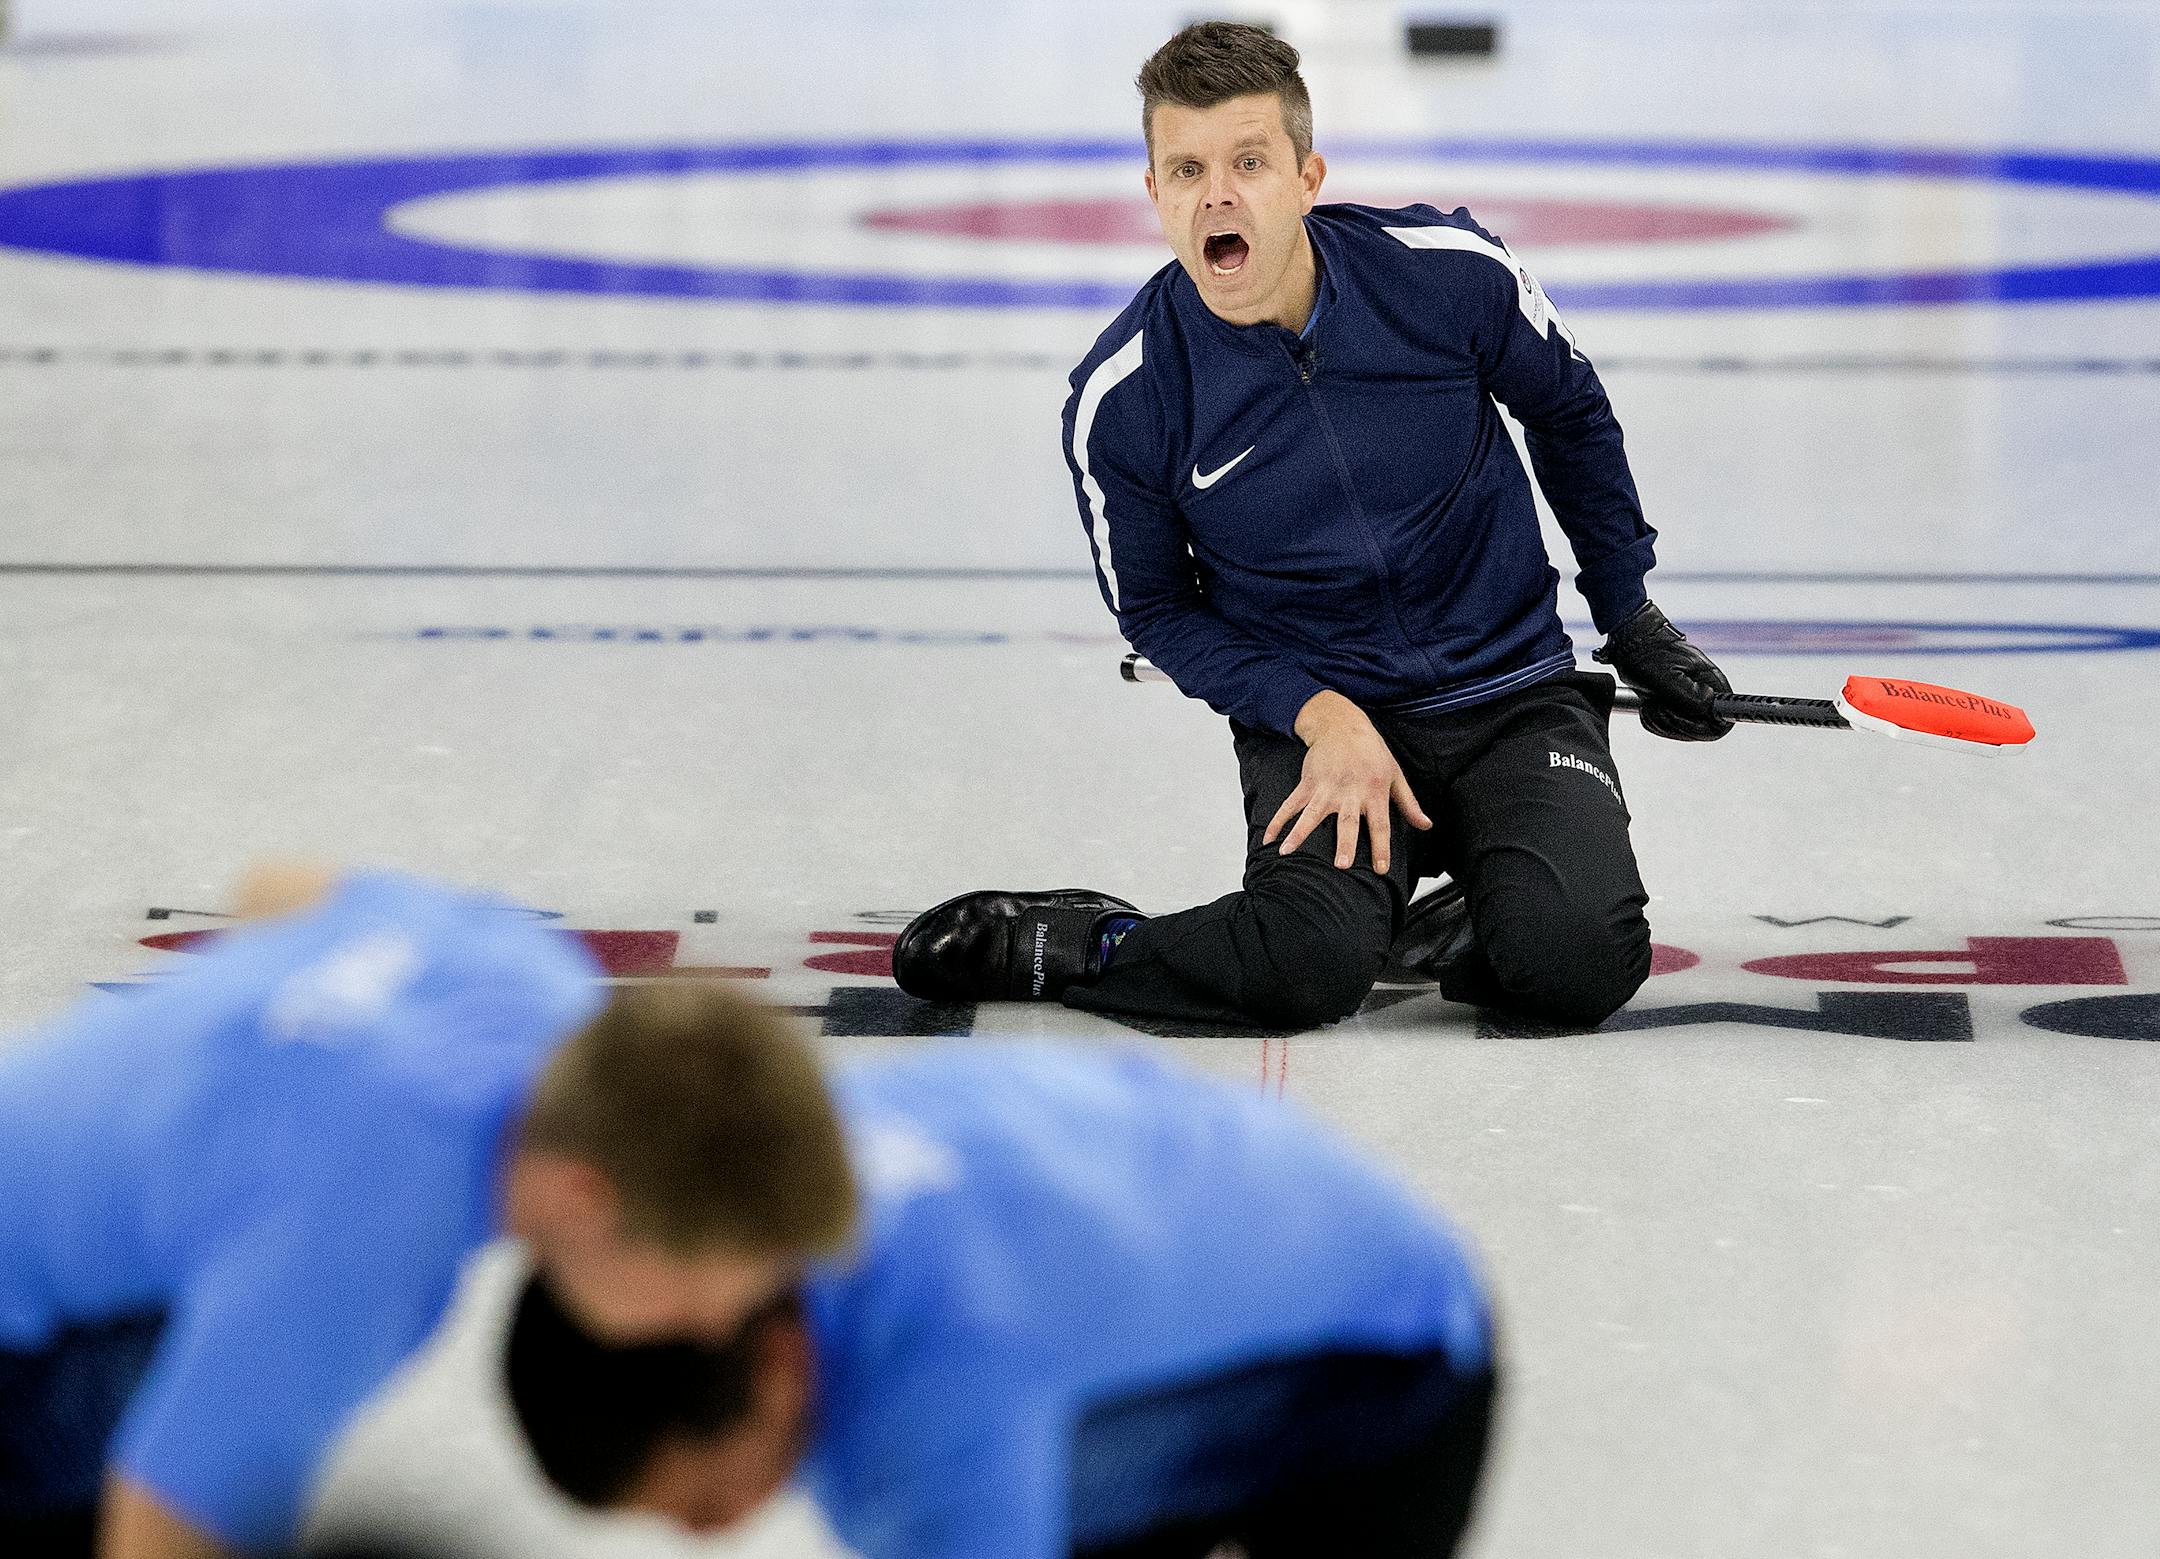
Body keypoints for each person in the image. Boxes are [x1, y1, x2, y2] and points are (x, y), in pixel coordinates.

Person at [894, 23, 1732, 1032]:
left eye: (1249, 162)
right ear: (1155, 193)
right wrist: (1315, 710)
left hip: (1512, 694)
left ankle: (1501, 906)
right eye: (1187, 168)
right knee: (1307, 966)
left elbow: (1569, 411)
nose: (1219, 194)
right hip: (1322, 716)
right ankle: (1095, 940)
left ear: (1306, 175)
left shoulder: (1448, 273)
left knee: (1577, 962)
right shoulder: (1124, 399)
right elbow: (1158, 611)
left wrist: (1628, 609)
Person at [0, 865, 854, 1559]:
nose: (713, 1330)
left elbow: (281, 889)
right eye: (699, 1301)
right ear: (589, 1200)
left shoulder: (527, 977)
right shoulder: (362, 1253)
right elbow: (161, 1530)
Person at [507, 1039, 1498, 1559]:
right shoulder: (770, 1182)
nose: (711, 1533)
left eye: (706, 1498)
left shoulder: (923, 1408)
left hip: (1391, 1367)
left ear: (771, 1363)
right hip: (1256, 1241)